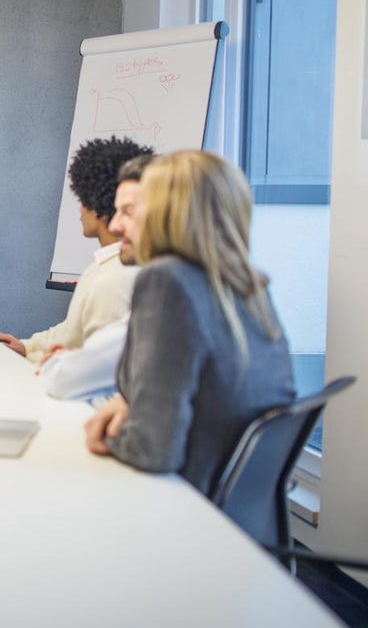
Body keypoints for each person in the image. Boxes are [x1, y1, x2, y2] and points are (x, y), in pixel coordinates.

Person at [84, 151, 296, 497]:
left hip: (180, 512)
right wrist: (134, 404)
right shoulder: (248, 286)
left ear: (167, 213)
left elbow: (152, 450)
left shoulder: (167, 280)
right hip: (238, 526)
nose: (114, 226)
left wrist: (108, 430)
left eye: (130, 212)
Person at [0, 136, 153, 362]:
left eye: (81, 199)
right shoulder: (102, 268)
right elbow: (71, 330)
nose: (79, 210)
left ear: (98, 204)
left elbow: (93, 366)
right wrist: (26, 346)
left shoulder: (114, 280)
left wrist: (37, 358)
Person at [39, 155, 152, 400]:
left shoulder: (120, 281)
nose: (117, 224)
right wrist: (28, 347)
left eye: (128, 212)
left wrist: (64, 361)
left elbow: (68, 379)